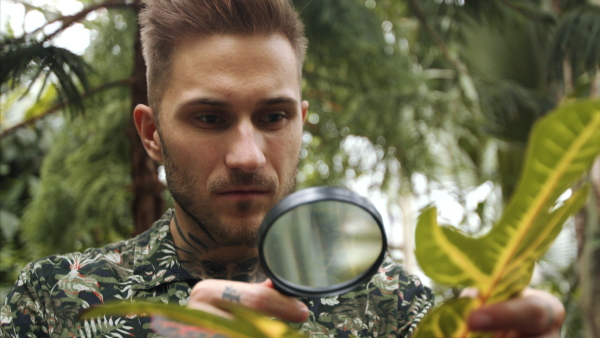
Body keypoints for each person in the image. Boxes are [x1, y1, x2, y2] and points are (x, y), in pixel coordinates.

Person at [1, 0, 565, 337]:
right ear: (152, 133)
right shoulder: (54, 300)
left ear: (302, 121)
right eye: (208, 117)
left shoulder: (394, 305)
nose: (247, 155)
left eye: (273, 115)